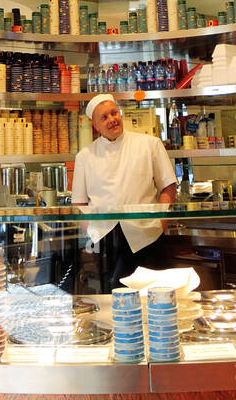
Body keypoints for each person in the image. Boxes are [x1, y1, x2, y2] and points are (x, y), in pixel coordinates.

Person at [72, 94, 178, 292]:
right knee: (110, 297)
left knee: (151, 294)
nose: (112, 119)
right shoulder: (84, 156)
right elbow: (79, 203)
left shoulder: (149, 144)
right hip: (104, 238)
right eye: (104, 117)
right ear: (95, 125)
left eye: (114, 113)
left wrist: (161, 220)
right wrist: (88, 233)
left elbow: (168, 185)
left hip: (146, 233)